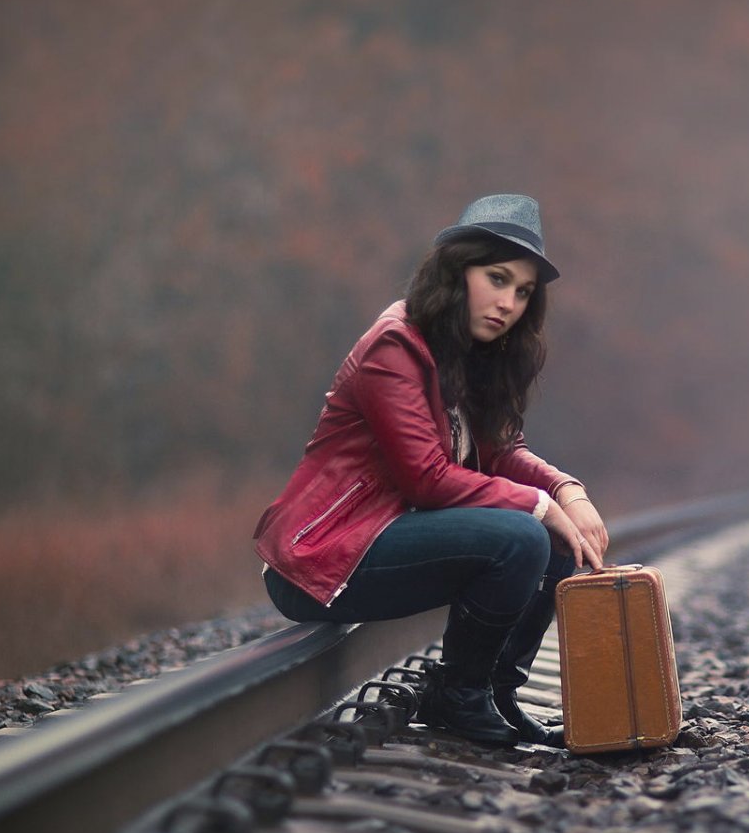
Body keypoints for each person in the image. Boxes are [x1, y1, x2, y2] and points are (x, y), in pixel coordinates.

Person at [253, 194, 607, 749]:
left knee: (556, 537)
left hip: (385, 541)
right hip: (322, 561)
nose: (508, 303)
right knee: (522, 534)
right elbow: (427, 478)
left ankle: (495, 693)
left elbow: (500, 450)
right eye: (497, 279)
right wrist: (539, 506)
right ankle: (458, 698)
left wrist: (566, 489)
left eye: (522, 292)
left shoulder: (465, 353)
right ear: (456, 270)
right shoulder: (394, 346)